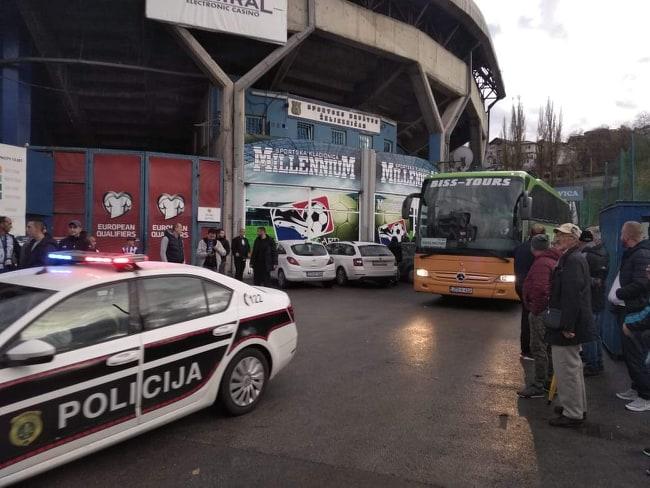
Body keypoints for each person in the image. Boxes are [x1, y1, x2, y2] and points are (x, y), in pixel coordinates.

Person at [547, 223, 594, 428]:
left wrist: (568, 325)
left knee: (566, 368)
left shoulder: (572, 261)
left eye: (563, 235)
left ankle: (572, 413)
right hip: (571, 322)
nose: (557, 238)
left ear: (573, 239)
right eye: (557, 234)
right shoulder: (572, 257)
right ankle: (575, 407)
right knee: (572, 368)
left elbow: (572, 296)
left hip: (567, 325)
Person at [518, 234, 562, 398]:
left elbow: (541, 289)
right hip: (547, 310)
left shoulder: (541, 264)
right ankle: (549, 382)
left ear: (533, 247)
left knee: (538, 348)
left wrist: (534, 309)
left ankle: (539, 384)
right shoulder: (551, 259)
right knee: (548, 348)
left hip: (540, 312)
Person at [614, 221, 650, 412]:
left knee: (635, 354)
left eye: (621, 232)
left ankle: (645, 396)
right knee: (631, 354)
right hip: (630, 309)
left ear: (628, 235)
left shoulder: (641, 254)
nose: (620, 236)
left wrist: (620, 293)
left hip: (636, 311)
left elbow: (642, 284)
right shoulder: (636, 253)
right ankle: (636, 388)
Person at [514, 224, 547, 360]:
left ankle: (525, 349)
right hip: (533, 286)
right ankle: (533, 350)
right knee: (534, 318)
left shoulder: (520, 247)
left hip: (520, 284)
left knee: (525, 316)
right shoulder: (540, 251)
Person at [580, 227, 609, 376]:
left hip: (589, 299)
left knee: (588, 333)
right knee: (596, 333)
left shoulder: (586, 255)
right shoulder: (604, 252)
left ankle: (592, 364)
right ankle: (597, 361)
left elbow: (582, 278)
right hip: (599, 298)